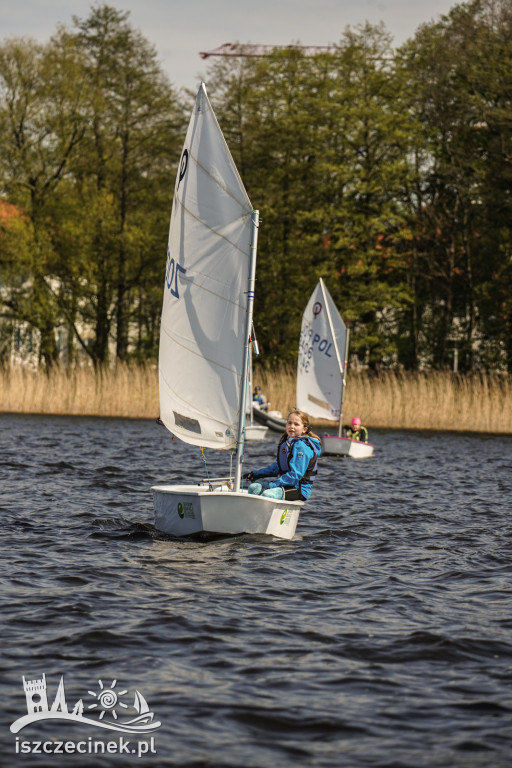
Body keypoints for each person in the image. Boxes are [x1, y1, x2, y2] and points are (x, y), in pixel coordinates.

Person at [243, 409, 321, 501]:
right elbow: (278, 467)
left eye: (296, 424)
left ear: (304, 429)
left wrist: (272, 485)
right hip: (285, 484)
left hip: (299, 489)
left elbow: (296, 475)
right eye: (289, 423)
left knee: (267, 494)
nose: (292, 426)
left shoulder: (302, 447)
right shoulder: (288, 442)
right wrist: (255, 474)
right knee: (253, 488)